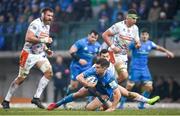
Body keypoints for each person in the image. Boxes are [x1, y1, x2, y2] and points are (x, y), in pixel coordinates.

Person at [47, 58, 160, 112]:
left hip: (106, 92)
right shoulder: (94, 70)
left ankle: (148, 101)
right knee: (78, 94)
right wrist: (87, 84)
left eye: (97, 67)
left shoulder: (109, 78)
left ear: (104, 68)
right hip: (94, 87)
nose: (95, 69)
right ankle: (56, 105)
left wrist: (113, 108)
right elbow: (78, 77)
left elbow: (117, 94)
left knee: (89, 109)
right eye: (95, 66)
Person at [1, 7, 54, 109]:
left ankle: (36, 98)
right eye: (48, 15)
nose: (50, 18)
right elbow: (28, 38)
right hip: (28, 54)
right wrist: (44, 40)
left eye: (52, 16)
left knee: (49, 73)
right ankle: (6, 100)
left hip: (39, 54)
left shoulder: (47, 26)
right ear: (42, 15)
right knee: (21, 79)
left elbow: (43, 42)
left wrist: (46, 49)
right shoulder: (35, 24)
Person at [119, 28, 174, 109]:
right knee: (129, 87)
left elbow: (158, 47)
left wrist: (167, 52)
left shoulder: (150, 43)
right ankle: (121, 105)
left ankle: (141, 105)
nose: (144, 36)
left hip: (144, 69)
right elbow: (125, 50)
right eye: (143, 34)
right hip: (134, 68)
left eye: (146, 34)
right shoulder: (135, 43)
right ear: (140, 35)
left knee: (149, 87)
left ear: (148, 36)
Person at [102, 9, 141, 84]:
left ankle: (109, 87)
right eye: (133, 18)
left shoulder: (135, 28)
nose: (135, 20)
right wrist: (113, 47)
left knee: (123, 77)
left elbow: (137, 41)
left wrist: (138, 44)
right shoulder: (118, 25)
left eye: (136, 18)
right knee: (120, 75)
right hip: (113, 54)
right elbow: (104, 35)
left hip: (123, 56)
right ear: (128, 17)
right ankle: (108, 88)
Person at [67, 30, 100, 95]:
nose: (94, 39)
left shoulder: (98, 45)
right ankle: (66, 98)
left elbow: (98, 56)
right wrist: (79, 60)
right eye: (92, 37)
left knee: (90, 84)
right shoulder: (81, 42)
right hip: (76, 66)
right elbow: (71, 51)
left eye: (95, 38)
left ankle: (89, 101)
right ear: (88, 35)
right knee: (74, 85)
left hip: (87, 68)